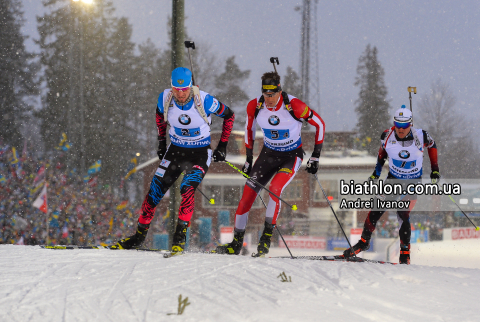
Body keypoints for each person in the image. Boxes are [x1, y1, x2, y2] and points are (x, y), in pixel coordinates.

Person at [112, 67, 235, 252]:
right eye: (176, 90)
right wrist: (162, 142)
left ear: (190, 86)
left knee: (187, 188)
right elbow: (159, 117)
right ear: (172, 87)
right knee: (154, 191)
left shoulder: (204, 100)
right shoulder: (165, 98)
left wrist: (222, 146)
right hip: (175, 150)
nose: (180, 94)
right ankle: (138, 238)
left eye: (185, 89)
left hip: (200, 152)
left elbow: (229, 115)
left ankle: (179, 240)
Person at [215, 71, 325, 256]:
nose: (269, 99)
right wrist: (249, 159)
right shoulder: (255, 106)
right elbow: (249, 130)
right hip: (268, 155)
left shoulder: (294, 105)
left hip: (291, 155)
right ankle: (236, 244)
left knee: (275, 189)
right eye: (266, 95)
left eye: (273, 94)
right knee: (246, 198)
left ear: (279, 91)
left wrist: (315, 156)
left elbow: (319, 124)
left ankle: (265, 241)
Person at [343, 105, 440, 264]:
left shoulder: (421, 136)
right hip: (393, 179)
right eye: (398, 126)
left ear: (410, 124)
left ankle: (405, 253)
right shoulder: (387, 135)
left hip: (413, 181)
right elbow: (381, 154)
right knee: (375, 210)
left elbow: (432, 146)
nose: (401, 130)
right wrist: (376, 172)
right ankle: (364, 242)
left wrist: (435, 170)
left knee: (403, 213)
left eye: (404, 126)